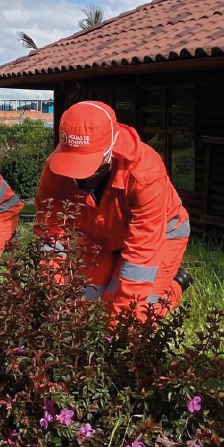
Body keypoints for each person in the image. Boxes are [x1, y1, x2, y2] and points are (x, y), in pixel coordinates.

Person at [36, 101, 192, 318]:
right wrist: (54, 292)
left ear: (111, 148)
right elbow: (50, 231)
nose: (80, 177)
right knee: (83, 304)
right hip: (101, 236)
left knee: (135, 315)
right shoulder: (55, 170)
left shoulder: (146, 174)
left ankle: (176, 285)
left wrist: (118, 327)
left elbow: (141, 254)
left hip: (160, 235)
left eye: (89, 166)